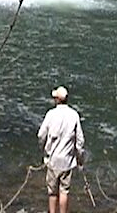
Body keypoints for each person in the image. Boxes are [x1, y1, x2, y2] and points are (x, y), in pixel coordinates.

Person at [37, 85, 85, 213]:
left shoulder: (51, 114)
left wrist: (43, 150)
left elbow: (41, 135)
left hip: (53, 160)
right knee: (64, 191)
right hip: (67, 161)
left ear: (58, 100)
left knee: (52, 192)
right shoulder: (74, 115)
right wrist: (80, 159)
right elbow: (80, 141)